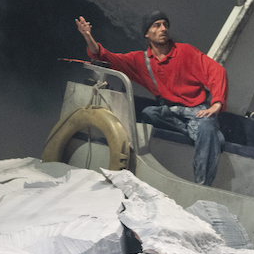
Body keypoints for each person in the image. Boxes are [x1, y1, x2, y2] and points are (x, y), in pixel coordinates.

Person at [75, 11, 227, 186]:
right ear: (147, 33)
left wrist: (216, 103)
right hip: (169, 112)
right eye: (157, 25)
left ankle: (201, 186)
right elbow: (105, 57)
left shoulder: (185, 51)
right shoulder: (141, 60)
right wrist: (88, 37)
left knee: (206, 128)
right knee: (148, 113)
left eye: (165, 25)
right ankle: (201, 133)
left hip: (196, 112)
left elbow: (217, 71)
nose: (163, 29)